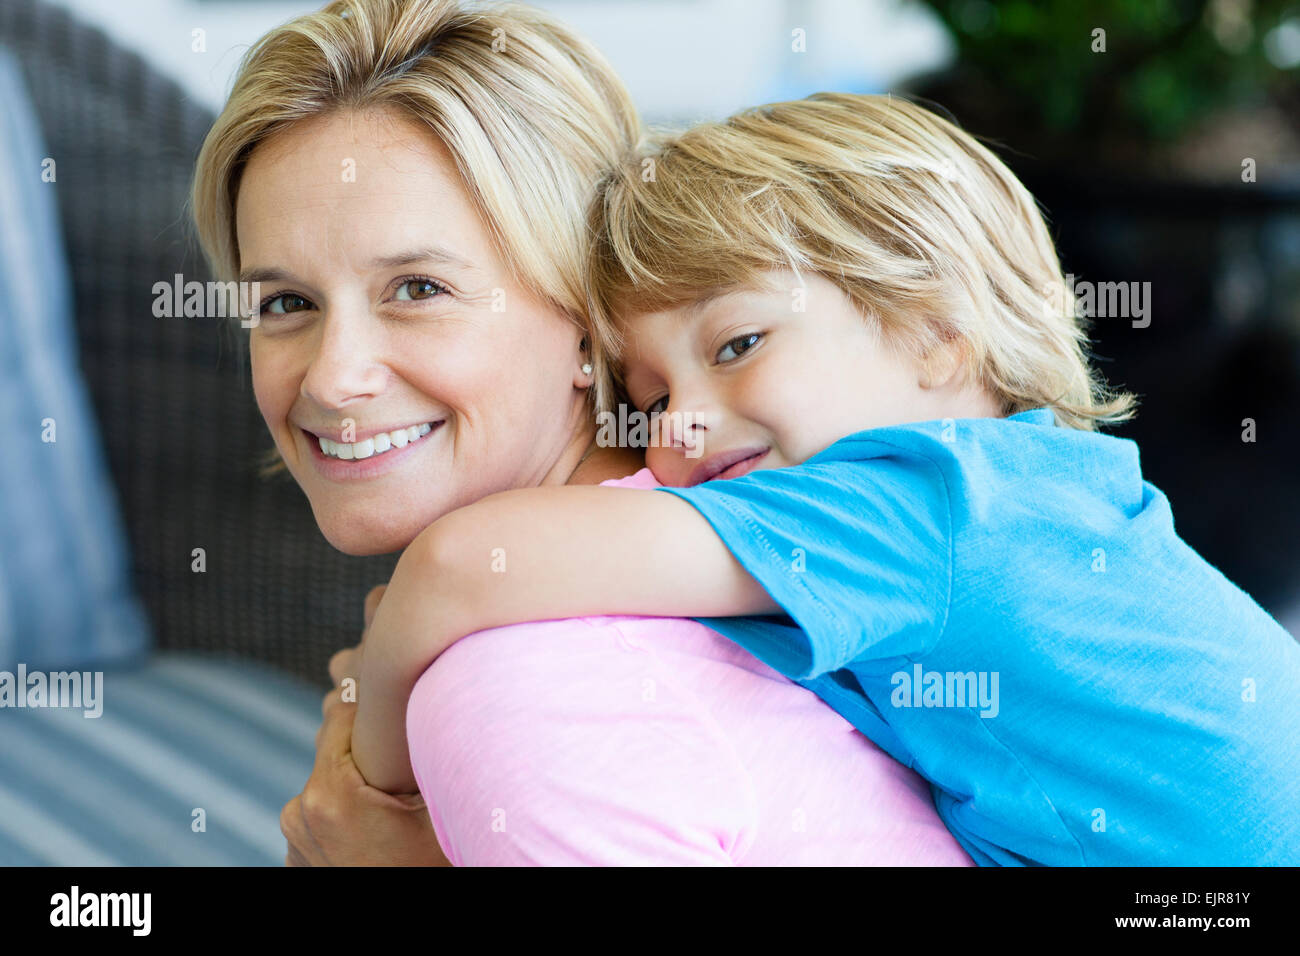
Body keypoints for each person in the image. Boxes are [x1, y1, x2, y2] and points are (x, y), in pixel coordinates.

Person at [350, 92, 1300, 866]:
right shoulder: (1031, 487)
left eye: (738, 343)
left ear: (935, 331)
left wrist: (374, 777)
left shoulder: (924, 505)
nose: (679, 423)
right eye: (647, 398)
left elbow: (468, 565)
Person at [191, 0, 973, 866]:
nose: (333, 377)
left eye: (417, 289)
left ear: (584, 318)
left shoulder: (525, 693)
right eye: (286, 305)